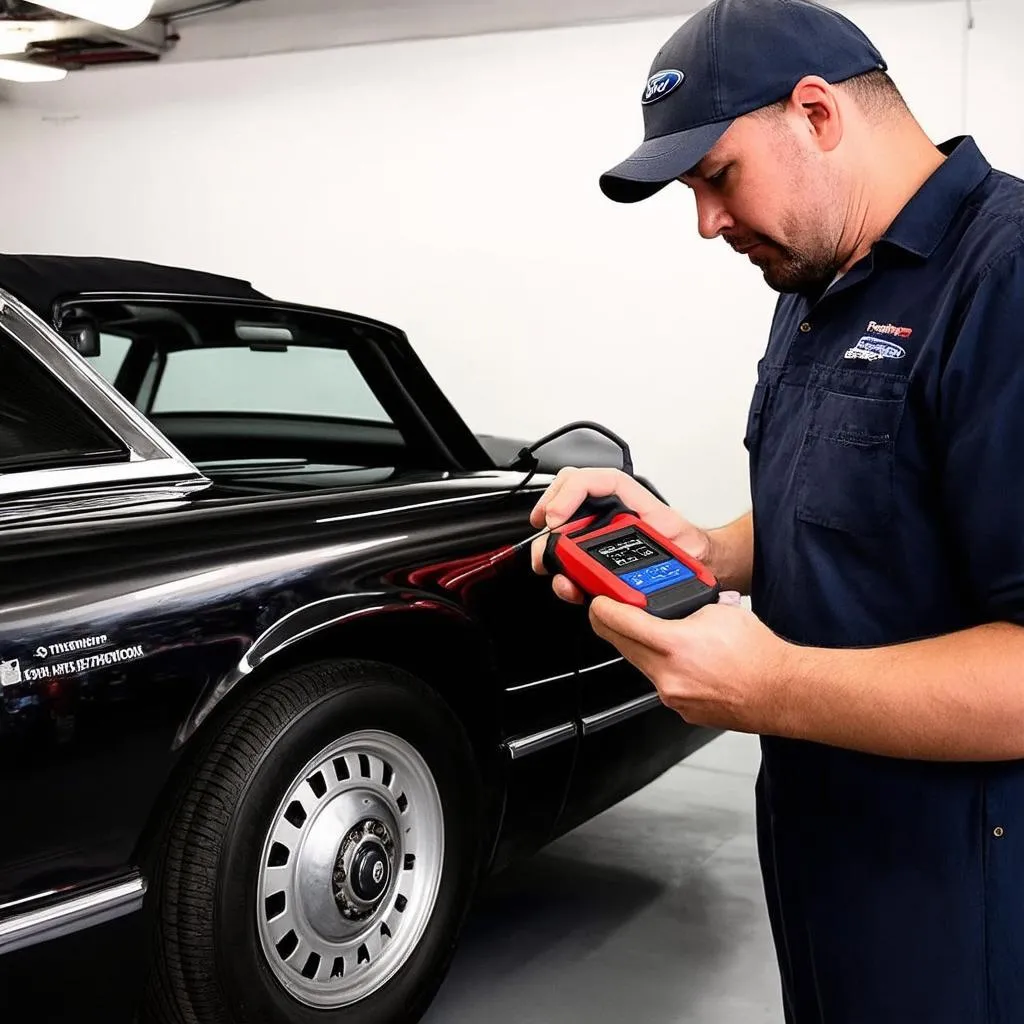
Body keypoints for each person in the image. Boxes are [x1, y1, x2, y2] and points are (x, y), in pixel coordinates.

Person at [529, 0, 1024, 1021]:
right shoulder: (812, 280)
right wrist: (703, 550)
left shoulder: (1006, 278)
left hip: (963, 873)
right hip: (823, 839)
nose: (708, 221)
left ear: (815, 114)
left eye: (716, 176)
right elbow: (859, 500)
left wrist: (772, 687)